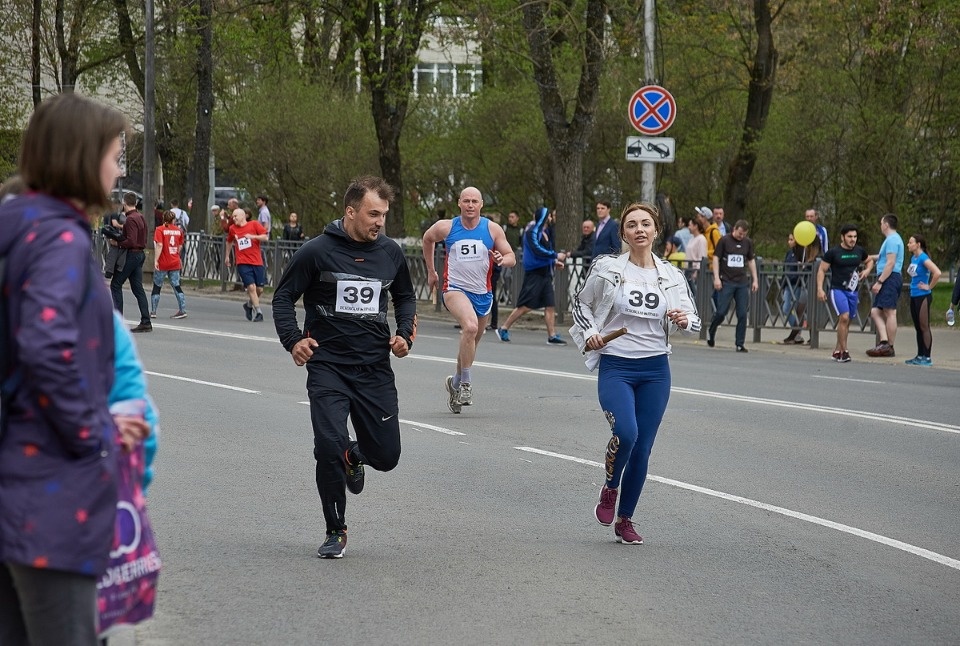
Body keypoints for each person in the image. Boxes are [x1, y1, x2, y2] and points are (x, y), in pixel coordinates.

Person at [0, 93, 149, 646]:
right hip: (49, 489)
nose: (119, 170)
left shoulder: (16, 222)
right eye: (115, 156)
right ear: (83, 158)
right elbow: (46, 346)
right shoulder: (60, 237)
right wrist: (96, 431)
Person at [272, 176, 417, 559]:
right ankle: (335, 529)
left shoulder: (390, 253)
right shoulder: (316, 251)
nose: (380, 222)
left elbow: (405, 296)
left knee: (386, 456)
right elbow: (283, 297)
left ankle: (354, 455)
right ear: (350, 212)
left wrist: (404, 333)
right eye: (373, 214)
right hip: (328, 368)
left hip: (374, 369)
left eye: (383, 215)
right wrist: (293, 340)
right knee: (327, 446)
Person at [569, 202, 700, 546]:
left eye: (645, 224)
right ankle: (610, 488)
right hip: (617, 365)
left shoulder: (671, 275)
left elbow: (694, 320)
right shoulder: (607, 268)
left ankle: (625, 519)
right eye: (632, 225)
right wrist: (590, 332)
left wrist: (684, 320)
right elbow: (580, 304)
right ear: (624, 234)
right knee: (626, 433)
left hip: (655, 369)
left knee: (643, 448)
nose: (639, 229)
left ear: (656, 231)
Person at [422, 187, 516, 413]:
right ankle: (465, 384)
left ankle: (454, 383)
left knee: (470, 341)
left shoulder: (492, 229)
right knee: (470, 327)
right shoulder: (447, 227)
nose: (470, 205)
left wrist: (502, 260)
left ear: (481, 204)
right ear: (459, 203)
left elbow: (511, 256)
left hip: (483, 293)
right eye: (466, 201)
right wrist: (431, 271)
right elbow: (427, 239)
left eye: (474, 201)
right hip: (454, 289)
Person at [497, 207, 568, 345]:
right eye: (548, 216)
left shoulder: (544, 232)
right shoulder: (532, 232)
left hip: (545, 273)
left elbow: (544, 253)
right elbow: (537, 250)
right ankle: (504, 328)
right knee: (526, 306)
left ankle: (552, 335)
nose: (551, 218)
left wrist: (553, 263)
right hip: (535, 273)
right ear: (543, 217)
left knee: (550, 305)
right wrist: (555, 256)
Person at [816, 224, 868, 363]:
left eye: (855, 236)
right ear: (842, 237)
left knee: (847, 321)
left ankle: (837, 350)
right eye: (849, 236)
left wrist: (867, 270)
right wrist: (820, 289)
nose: (853, 239)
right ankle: (844, 351)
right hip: (837, 289)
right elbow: (822, 270)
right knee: (843, 317)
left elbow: (868, 260)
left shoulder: (859, 251)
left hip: (853, 291)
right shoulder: (833, 252)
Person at [707, 220, 758, 352]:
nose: (741, 236)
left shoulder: (747, 243)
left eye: (744, 234)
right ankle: (712, 330)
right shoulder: (724, 240)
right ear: (734, 229)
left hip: (741, 282)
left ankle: (739, 343)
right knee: (721, 312)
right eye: (740, 233)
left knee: (742, 313)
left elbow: (751, 260)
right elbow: (716, 258)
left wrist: (755, 279)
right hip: (727, 281)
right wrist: (716, 278)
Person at [111, 191, 153, 333]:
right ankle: (146, 321)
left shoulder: (130, 219)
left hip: (132, 254)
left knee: (116, 284)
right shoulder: (140, 217)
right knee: (137, 288)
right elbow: (142, 237)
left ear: (124, 203)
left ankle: (118, 322)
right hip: (140, 254)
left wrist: (117, 242)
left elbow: (131, 241)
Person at [863, 214, 904, 357]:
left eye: (881, 223)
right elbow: (883, 257)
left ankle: (889, 346)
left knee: (889, 311)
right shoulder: (891, 240)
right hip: (888, 276)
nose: (880, 226)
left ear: (886, 225)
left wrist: (880, 282)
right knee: (876, 312)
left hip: (889, 277)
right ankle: (884, 342)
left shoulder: (892, 239)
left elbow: (890, 263)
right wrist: (867, 257)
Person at [904, 234, 941, 366]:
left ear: (918, 244)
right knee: (918, 327)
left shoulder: (923, 258)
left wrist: (929, 286)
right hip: (914, 294)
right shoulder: (913, 258)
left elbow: (937, 272)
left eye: (910, 242)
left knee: (924, 326)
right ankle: (919, 355)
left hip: (923, 296)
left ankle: (927, 357)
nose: (908, 245)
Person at [225, 207, 269, 321]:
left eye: (236, 216)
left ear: (243, 216)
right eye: (233, 217)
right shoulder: (232, 228)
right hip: (242, 262)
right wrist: (227, 256)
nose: (234, 218)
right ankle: (259, 312)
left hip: (257, 261)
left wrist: (253, 236)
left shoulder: (254, 224)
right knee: (251, 287)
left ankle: (249, 305)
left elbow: (265, 237)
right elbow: (229, 241)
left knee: (259, 289)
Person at [151, 210, 188, 319]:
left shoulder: (160, 230)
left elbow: (159, 245)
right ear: (174, 220)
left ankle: (153, 311)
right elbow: (180, 246)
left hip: (163, 262)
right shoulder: (179, 231)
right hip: (175, 261)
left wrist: (156, 260)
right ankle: (182, 309)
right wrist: (175, 254)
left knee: (157, 286)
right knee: (176, 285)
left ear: (164, 219)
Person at [781, 233, 804, 344]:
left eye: (791, 239)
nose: (789, 242)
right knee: (786, 308)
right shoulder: (789, 253)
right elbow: (785, 268)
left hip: (797, 284)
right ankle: (797, 331)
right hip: (788, 283)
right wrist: (783, 281)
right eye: (789, 239)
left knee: (795, 308)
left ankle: (796, 332)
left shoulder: (802, 253)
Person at [684, 215, 707, 297]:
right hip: (688, 269)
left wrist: (697, 271)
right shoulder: (691, 238)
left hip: (694, 270)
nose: (688, 227)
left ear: (695, 226)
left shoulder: (701, 239)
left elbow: (702, 256)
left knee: (694, 293)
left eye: (690, 225)